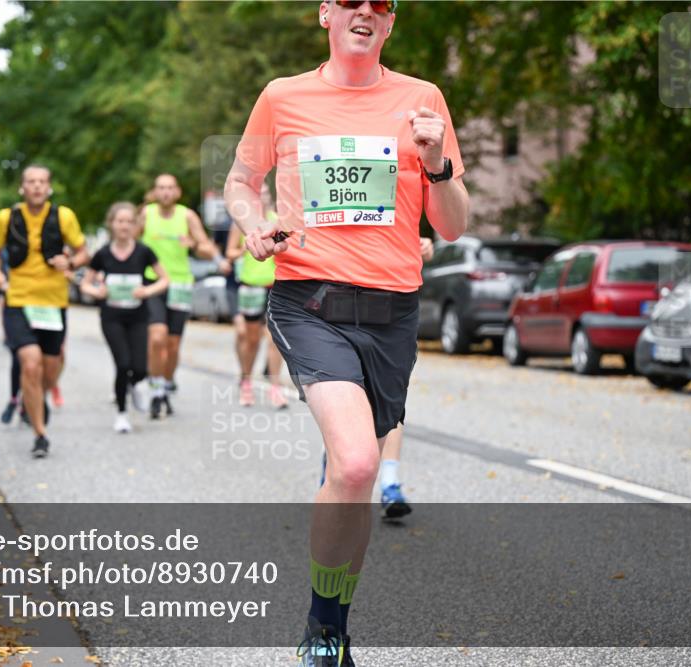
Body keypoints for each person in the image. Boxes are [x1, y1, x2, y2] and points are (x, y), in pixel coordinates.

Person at [225, 2, 469, 664]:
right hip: (310, 303)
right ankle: (324, 629)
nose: (366, 10)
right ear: (326, 14)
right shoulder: (283, 97)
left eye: (381, 3)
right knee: (360, 461)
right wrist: (253, 223)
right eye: (351, 0)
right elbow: (240, 181)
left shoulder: (422, 99)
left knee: (349, 470)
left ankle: (332, 609)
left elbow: (452, 225)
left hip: (393, 313)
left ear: (390, 23)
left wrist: (438, 162)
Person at [320, 236, 435, 519]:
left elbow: (406, 229)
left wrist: (422, 246)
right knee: (344, 394)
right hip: (338, 301)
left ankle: (389, 482)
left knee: (389, 405)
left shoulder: (397, 194)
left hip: (390, 305)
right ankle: (333, 469)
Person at [0, 164, 88, 458]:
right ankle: (40, 434)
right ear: (22, 188)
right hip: (18, 300)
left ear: (49, 188)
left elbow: (83, 252)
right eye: (31, 182)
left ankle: (36, 398)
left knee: (51, 366)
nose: (36, 187)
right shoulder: (6, 218)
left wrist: (70, 263)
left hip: (53, 303)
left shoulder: (64, 216)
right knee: (30, 363)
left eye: (42, 182)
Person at [81, 202, 169, 433]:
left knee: (140, 368)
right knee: (123, 364)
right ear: (111, 224)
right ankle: (121, 414)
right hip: (112, 317)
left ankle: (135, 384)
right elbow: (85, 284)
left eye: (129, 222)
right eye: (120, 221)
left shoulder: (143, 251)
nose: (124, 226)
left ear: (135, 225)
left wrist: (146, 292)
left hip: (138, 316)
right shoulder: (102, 254)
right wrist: (97, 292)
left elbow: (164, 279)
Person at [138, 173, 217, 418]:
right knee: (156, 338)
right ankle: (155, 388)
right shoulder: (146, 214)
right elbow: (128, 241)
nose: (165, 192)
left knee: (172, 345)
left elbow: (208, 250)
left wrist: (193, 244)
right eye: (161, 188)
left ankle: (167, 382)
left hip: (181, 284)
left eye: (170, 188)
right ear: (155, 191)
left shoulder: (187, 216)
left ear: (178, 192)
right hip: (153, 282)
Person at [225, 183, 288, 409]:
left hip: (275, 285)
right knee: (251, 339)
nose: (261, 199)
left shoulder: (277, 220)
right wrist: (244, 249)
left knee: (274, 339)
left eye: (264, 194)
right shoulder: (242, 222)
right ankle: (246, 382)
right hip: (250, 285)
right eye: (256, 195)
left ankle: (275, 386)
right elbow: (229, 253)